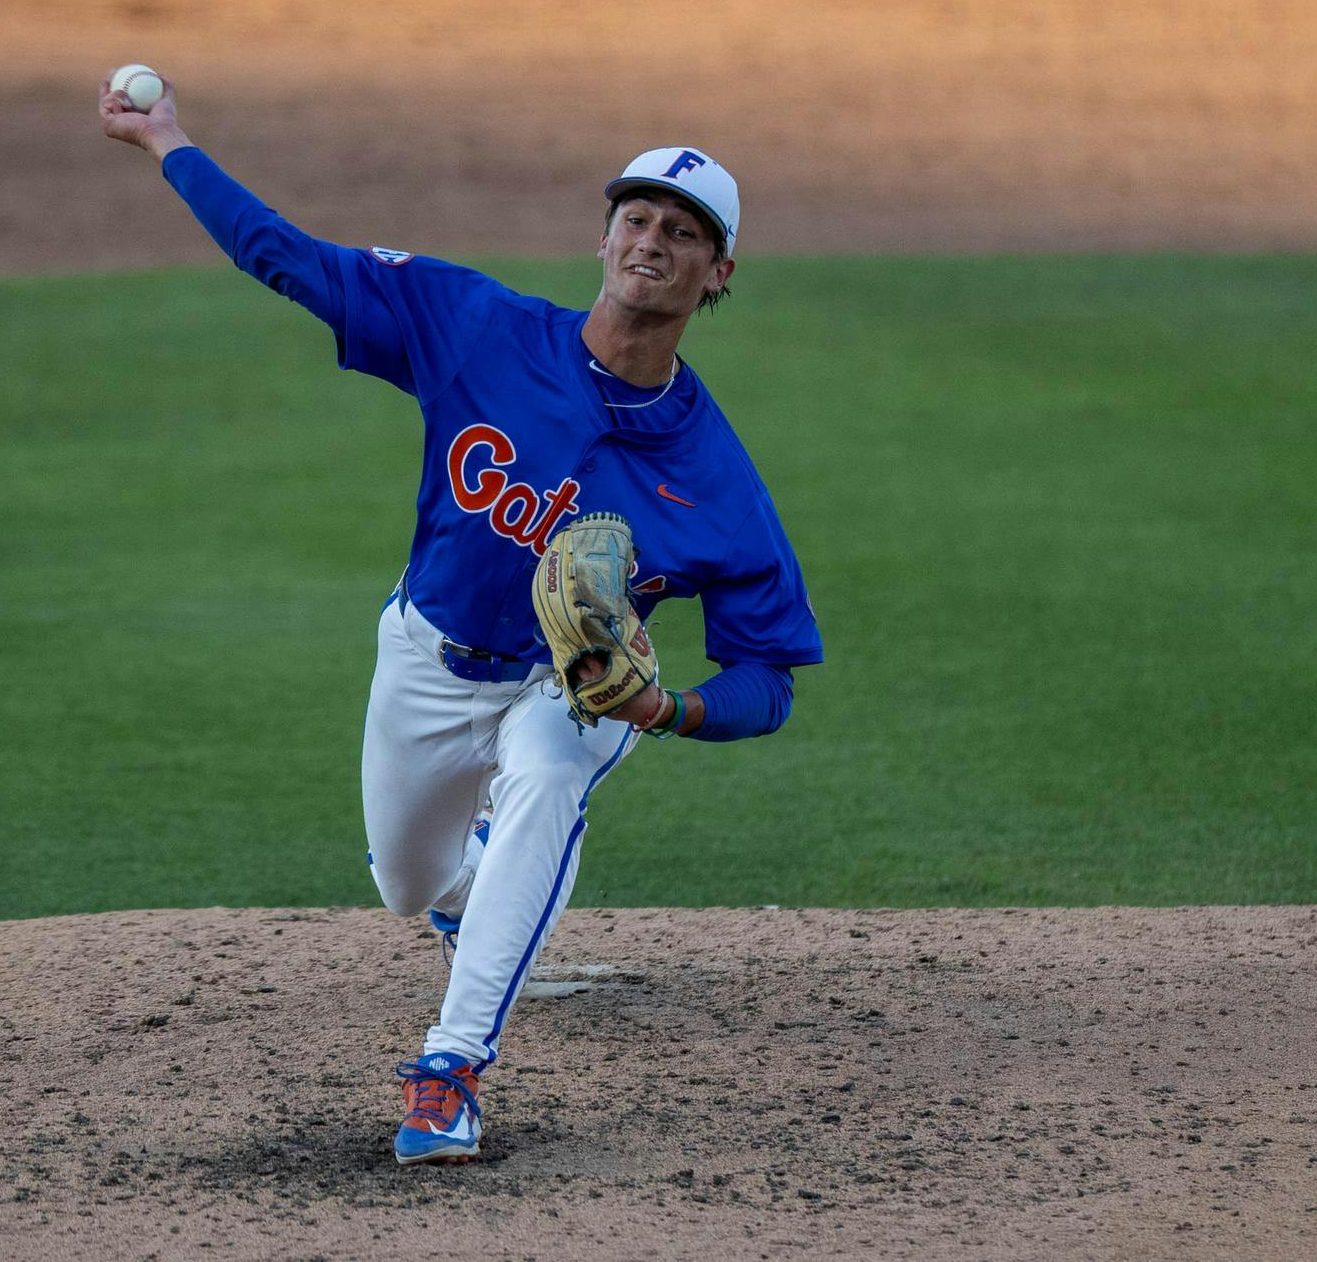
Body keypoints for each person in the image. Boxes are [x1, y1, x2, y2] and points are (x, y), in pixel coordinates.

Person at [101, 78, 823, 1166]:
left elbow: (767, 674)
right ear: (603, 235)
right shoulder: (473, 326)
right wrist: (168, 142)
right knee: (405, 881)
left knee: (547, 770)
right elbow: (288, 258)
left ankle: (450, 1070)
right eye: (637, 219)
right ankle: (464, 896)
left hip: (571, 684)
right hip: (428, 656)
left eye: (683, 234)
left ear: (715, 273)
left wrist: (666, 707)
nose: (652, 241)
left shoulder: (715, 476)